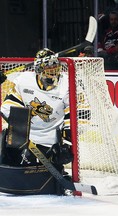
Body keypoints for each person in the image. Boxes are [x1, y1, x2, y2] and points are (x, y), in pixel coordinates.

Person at [0, 48, 73, 195]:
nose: (52, 70)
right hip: (25, 135)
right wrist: (21, 126)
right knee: (10, 155)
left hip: (51, 137)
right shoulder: (23, 80)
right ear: (39, 68)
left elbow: (80, 112)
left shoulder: (68, 83)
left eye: (54, 65)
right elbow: (8, 106)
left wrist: (67, 141)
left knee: (34, 168)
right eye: (48, 66)